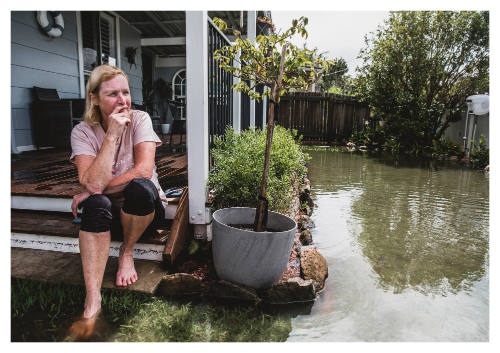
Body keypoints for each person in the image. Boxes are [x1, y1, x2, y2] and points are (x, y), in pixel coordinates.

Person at [68, 64, 168, 339]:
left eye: (125, 92)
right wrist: (111, 135)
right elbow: (91, 182)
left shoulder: (140, 119)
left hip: (145, 211)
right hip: (110, 213)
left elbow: (144, 171)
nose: (123, 100)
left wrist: (93, 188)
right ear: (94, 98)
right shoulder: (82, 132)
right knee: (97, 204)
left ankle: (127, 252)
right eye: (113, 94)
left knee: (138, 188)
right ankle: (93, 299)